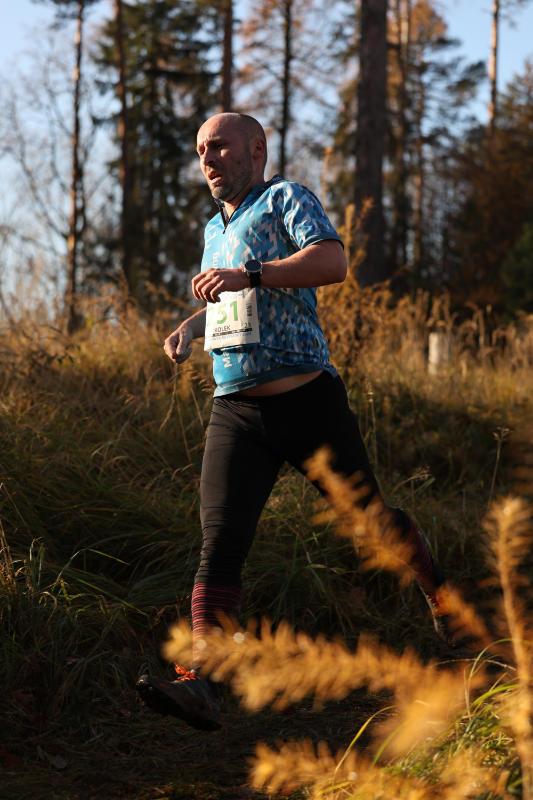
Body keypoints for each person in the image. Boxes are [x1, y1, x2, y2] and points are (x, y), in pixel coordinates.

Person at [136, 113, 453, 731]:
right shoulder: (214, 229)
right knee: (219, 546)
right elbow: (232, 300)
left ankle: (441, 595)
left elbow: (331, 262)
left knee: (371, 523)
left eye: (219, 145)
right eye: (200, 150)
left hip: (307, 403)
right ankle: (203, 682)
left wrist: (252, 273)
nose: (207, 159)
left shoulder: (286, 198)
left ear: (255, 149)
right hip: (236, 410)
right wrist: (190, 328)